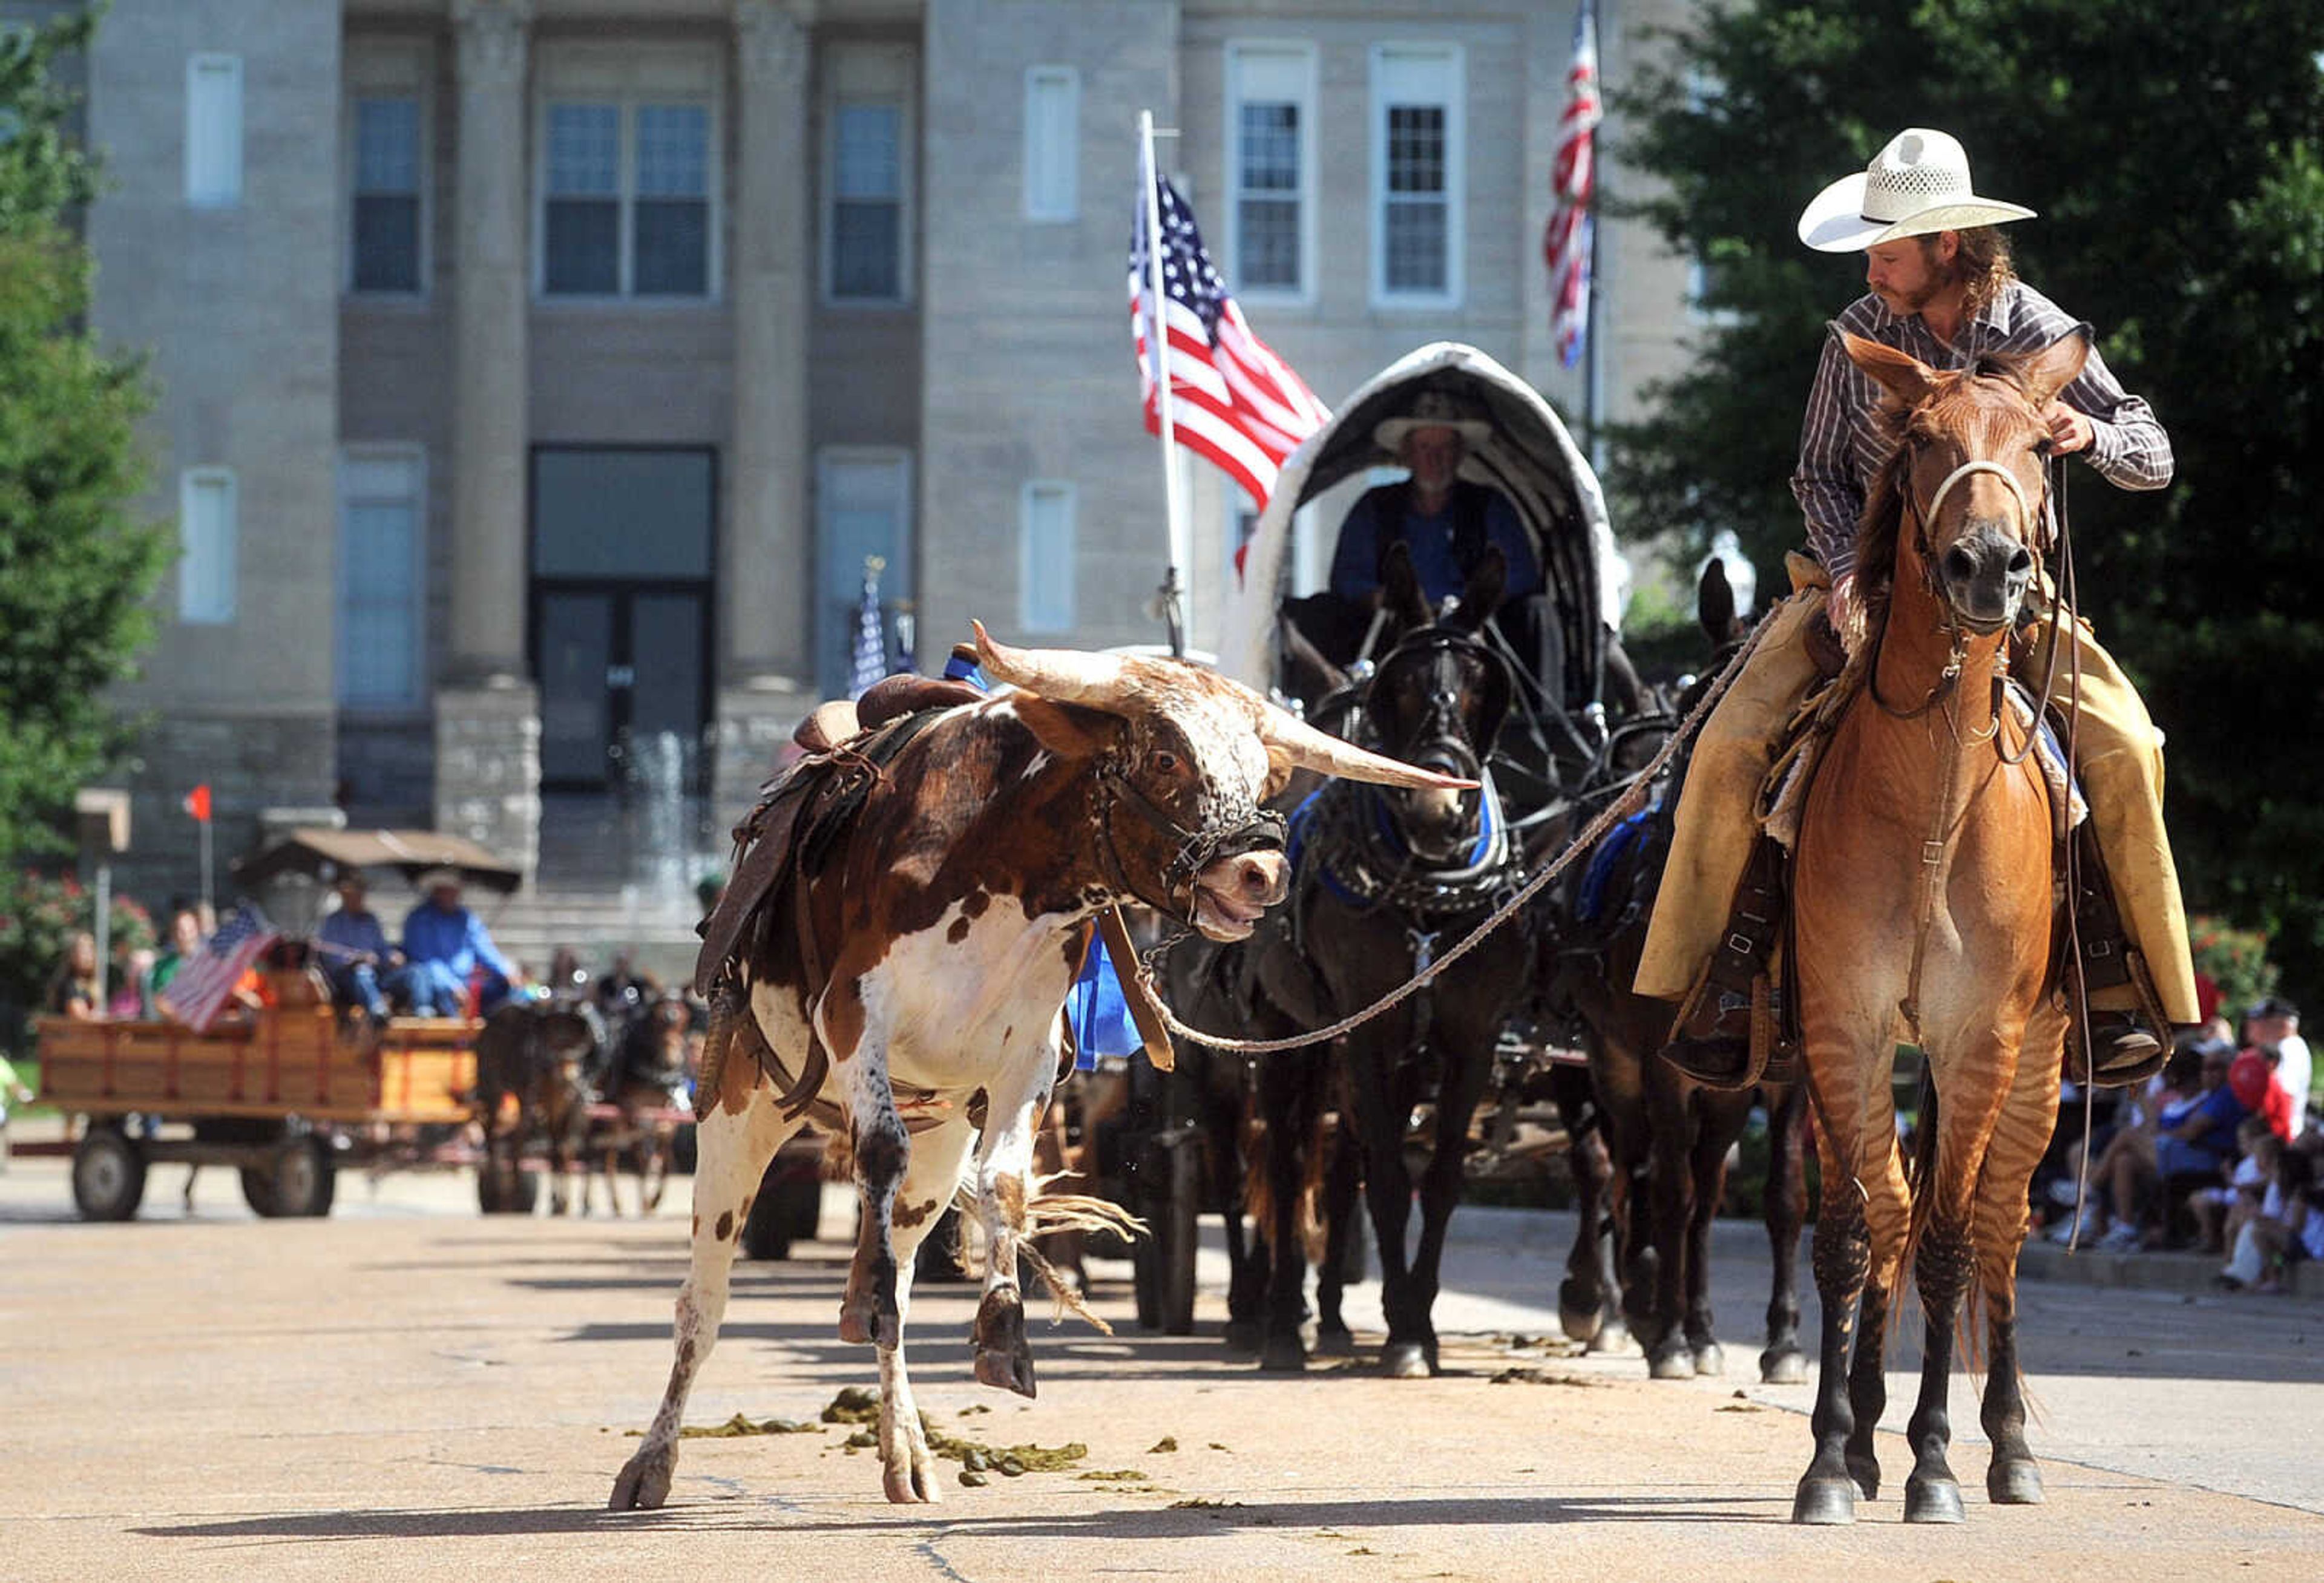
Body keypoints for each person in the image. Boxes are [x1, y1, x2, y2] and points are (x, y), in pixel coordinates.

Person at [1638, 126, 2199, 1086]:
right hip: (1857, 587)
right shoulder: (1859, 333)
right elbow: (1816, 474)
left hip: (2008, 591)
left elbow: (2155, 453)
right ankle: (1727, 979)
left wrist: (2086, 429)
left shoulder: (2034, 328)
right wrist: (1845, 576)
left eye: (1886, 249)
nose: (1870, 265)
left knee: (2126, 744)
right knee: (1728, 747)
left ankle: (2114, 987)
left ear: (1948, 245)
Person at [399, 869, 516, 1017]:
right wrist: (453, 985)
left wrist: (507, 971)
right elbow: (427, 960)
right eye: (446, 891)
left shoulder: (466, 917)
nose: (451, 895)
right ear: (436, 892)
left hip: (467, 980)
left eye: (454, 890)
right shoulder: (419, 919)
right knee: (440, 990)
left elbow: (484, 948)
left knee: (502, 989)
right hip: (437, 983)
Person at [316, 873, 412, 1021]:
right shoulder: (333, 922)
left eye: (359, 894)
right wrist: (357, 958)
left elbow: (381, 949)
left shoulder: (370, 920)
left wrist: (392, 956)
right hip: (346, 978)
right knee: (363, 973)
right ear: (344, 896)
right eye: (352, 895)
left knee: (413, 973)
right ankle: (378, 1012)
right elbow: (330, 954)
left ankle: (421, 1015)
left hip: (376, 974)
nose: (357, 899)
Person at [2245, 997, 2310, 1139]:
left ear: (2282, 1023)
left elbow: (2284, 1097)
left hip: (2280, 1135)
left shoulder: (2290, 1049)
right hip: (2275, 1133)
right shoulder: (2285, 1047)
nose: (2251, 1025)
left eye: (2259, 1020)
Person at [146, 904, 204, 1001]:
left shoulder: (210, 963)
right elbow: (159, 1000)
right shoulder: (162, 966)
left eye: (191, 930)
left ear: (198, 931)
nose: (187, 935)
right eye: (181, 931)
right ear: (173, 934)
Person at [44, 930, 101, 1020]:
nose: (88, 955)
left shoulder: (88, 984)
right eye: (83, 950)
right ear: (72, 955)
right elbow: (80, 1018)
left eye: (91, 949)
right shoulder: (69, 984)